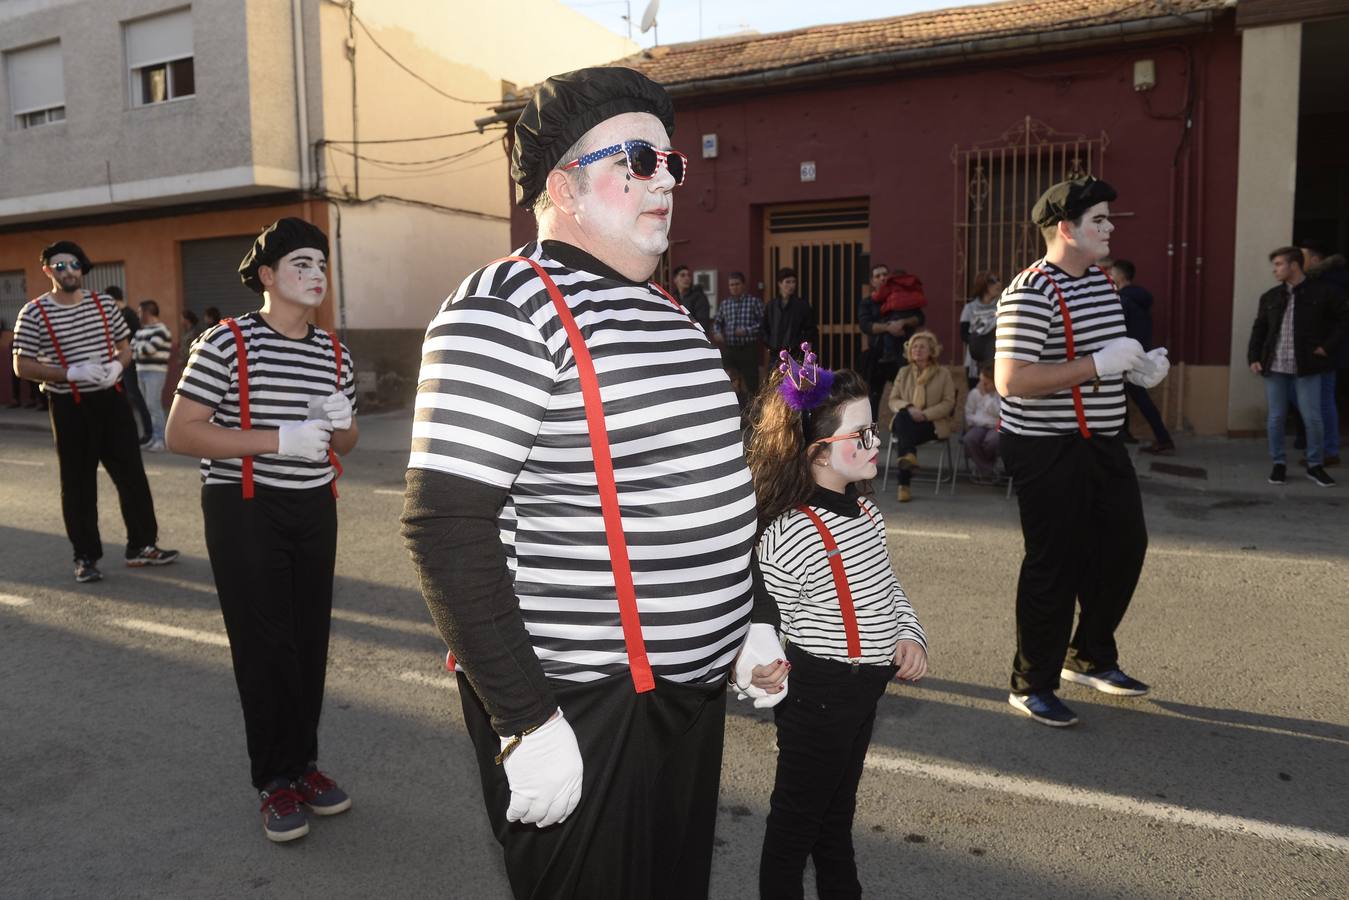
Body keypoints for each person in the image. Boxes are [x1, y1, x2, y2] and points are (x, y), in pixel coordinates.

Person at [399, 67, 779, 900]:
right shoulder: (503, 306)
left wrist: (750, 615)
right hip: (585, 701)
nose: (665, 182)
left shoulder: (671, 311)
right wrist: (525, 720)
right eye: (638, 161)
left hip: (688, 691)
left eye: (671, 163)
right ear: (563, 183)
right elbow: (446, 526)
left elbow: (708, 483)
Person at [166, 217, 359, 843]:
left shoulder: (334, 350)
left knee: (308, 641)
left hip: (312, 506)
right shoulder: (225, 342)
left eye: (322, 266)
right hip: (243, 507)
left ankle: (302, 764)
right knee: (265, 644)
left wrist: (341, 423)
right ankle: (274, 781)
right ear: (268, 276)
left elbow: (346, 444)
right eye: (301, 264)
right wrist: (278, 440)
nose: (316, 276)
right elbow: (181, 432)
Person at [744, 353, 927, 900]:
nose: (876, 444)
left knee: (835, 819)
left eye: (875, 431)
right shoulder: (793, 529)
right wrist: (754, 668)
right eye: (862, 434)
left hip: (863, 690)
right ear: (818, 451)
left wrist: (909, 633)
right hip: (818, 694)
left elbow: (888, 589)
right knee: (795, 826)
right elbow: (758, 615)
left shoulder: (866, 513)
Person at [995, 176, 1168, 727]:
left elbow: (1104, 356)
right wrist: (1099, 365)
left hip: (1102, 440)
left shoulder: (1100, 282)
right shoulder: (1029, 291)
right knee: (1055, 562)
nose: (1110, 228)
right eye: (1099, 220)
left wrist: (1140, 369)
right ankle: (1031, 683)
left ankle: (1089, 655)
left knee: (1123, 547)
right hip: (1045, 446)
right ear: (1066, 229)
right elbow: (1012, 380)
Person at [11, 241, 178, 583]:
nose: (69, 271)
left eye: (74, 264)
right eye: (59, 266)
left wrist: (118, 367)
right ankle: (85, 556)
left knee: (132, 475)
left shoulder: (103, 303)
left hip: (111, 399)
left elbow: (126, 347)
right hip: (69, 405)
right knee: (77, 483)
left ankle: (142, 546)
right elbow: (21, 364)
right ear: (47, 271)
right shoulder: (34, 312)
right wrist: (69, 373)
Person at [1247, 246, 1345, 488]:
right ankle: (1279, 464)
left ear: (1294, 265)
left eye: (1279, 264)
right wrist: (1253, 357)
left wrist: (1327, 347)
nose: (1275, 270)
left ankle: (1315, 465)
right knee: (1276, 418)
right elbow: (1259, 328)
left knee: (1313, 417)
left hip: (1308, 367)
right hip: (1275, 367)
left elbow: (1344, 319)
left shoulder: (1322, 292)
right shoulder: (1270, 296)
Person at [1110, 259, 1174, 454]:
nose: (1110, 276)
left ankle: (1163, 439)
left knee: (1139, 397)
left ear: (1120, 276)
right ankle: (1125, 432)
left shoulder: (1123, 300)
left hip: (1127, 355)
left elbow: (1119, 329)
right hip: (1139, 351)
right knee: (1123, 392)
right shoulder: (1140, 298)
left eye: (1111, 273)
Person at [886, 330, 956, 503]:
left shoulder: (943, 373)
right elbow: (893, 400)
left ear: (932, 350)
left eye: (922, 347)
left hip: (931, 424)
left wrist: (924, 414)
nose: (917, 350)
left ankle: (904, 485)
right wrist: (909, 408)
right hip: (906, 421)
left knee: (904, 434)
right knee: (903, 416)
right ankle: (909, 456)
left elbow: (948, 403)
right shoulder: (903, 372)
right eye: (914, 347)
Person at [1299, 238, 1348, 466]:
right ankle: (1321, 447)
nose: (1298, 262)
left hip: (1326, 353)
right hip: (1323, 351)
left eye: (1303, 257)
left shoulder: (1330, 284)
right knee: (1318, 401)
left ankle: (1327, 450)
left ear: (1316, 260)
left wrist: (1325, 346)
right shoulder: (1322, 281)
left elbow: (1340, 320)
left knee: (1323, 401)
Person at [858, 263, 926, 419]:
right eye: (878, 276)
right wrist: (888, 328)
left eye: (885, 274)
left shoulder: (903, 295)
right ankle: (871, 436)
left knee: (906, 395)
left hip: (902, 354)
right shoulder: (868, 302)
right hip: (877, 355)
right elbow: (865, 325)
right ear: (872, 281)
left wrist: (903, 323)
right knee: (872, 398)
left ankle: (903, 436)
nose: (882, 278)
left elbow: (920, 318)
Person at [108, 285, 153, 445]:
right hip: (125, 362)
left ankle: (149, 433)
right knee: (128, 398)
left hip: (131, 363)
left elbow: (124, 342)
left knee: (137, 398)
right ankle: (134, 432)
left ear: (112, 300)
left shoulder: (127, 315)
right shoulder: (124, 314)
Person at [711, 270, 764, 396]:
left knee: (752, 385)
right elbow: (717, 323)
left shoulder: (754, 302)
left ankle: (752, 412)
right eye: (731, 285)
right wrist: (717, 332)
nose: (734, 287)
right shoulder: (725, 304)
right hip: (730, 350)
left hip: (748, 349)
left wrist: (747, 331)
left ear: (743, 285)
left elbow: (763, 324)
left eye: (737, 284)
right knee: (730, 383)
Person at [132, 300, 173, 451]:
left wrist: (137, 349)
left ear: (147, 312)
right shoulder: (141, 331)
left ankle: (161, 440)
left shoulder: (162, 330)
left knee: (153, 406)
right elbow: (132, 349)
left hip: (155, 372)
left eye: (139, 312)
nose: (138, 315)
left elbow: (149, 349)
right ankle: (154, 438)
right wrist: (138, 349)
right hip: (140, 371)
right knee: (148, 406)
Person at [763, 267, 818, 364]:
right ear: (780, 284)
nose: (791, 285)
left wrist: (797, 343)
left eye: (793, 282)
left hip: (796, 354)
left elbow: (811, 329)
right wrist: (771, 344)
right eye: (787, 282)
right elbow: (764, 328)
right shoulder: (771, 305)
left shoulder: (802, 305)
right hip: (776, 354)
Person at [963, 360, 1001, 483]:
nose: (982, 386)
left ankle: (984, 468)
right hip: (978, 425)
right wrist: (979, 421)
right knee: (970, 439)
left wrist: (986, 397)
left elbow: (998, 412)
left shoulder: (1000, 395)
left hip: (996, 425)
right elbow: (968, 413)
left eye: (986, 383)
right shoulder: (975, 393)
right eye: (981, 382)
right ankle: (988, 469)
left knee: (992, 441)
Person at [960, 271, 1000, 388]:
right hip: (974, 360)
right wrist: (980, 342)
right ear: (982, 285)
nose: (998, 284)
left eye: (998, 280)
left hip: (996, 358)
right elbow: (963, 334)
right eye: (992, 281)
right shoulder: (970, 308)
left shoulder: (1002, 306)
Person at [671, 263, 712, 334]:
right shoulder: (673, 298)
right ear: (675, 279)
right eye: (682, 275)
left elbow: (702, 323)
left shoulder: (699, 297)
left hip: (695, 337)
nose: (687, 278)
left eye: (688, 275)